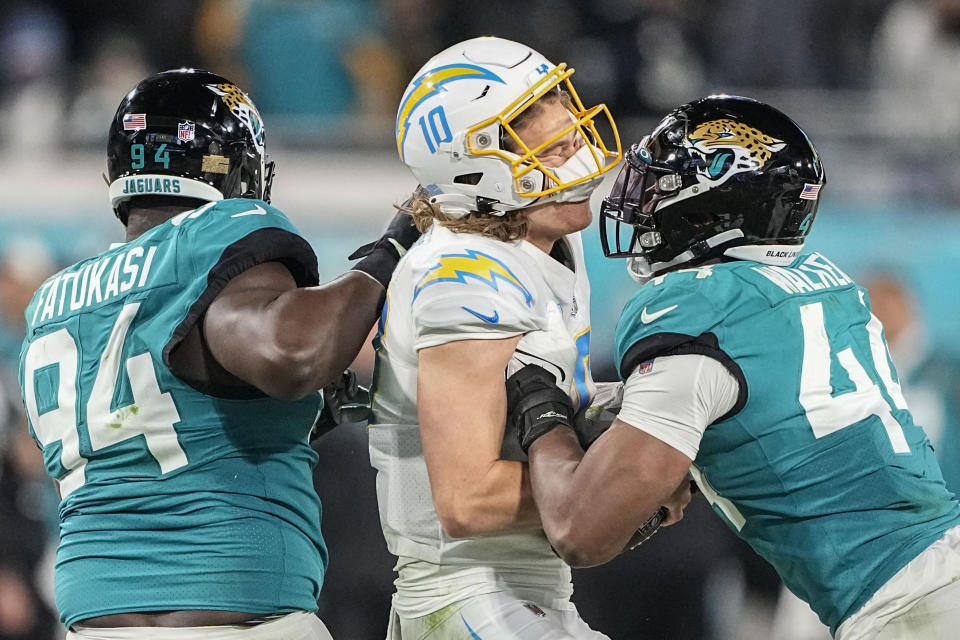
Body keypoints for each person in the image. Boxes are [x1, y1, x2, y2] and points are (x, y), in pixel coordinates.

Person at [506, 95, 960, 640]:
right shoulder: (823, 280)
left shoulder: (696, 311)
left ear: (709, 207)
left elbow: (581, 531)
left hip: (907, 608)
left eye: (660, 188)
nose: (642, 204)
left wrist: (538, 404)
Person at [17, 68, 419, 639]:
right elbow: (295, 353)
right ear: (237, 167)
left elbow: (154, 431)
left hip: (94, 620)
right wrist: (392, 249)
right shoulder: (211, 236)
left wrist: (306, 416)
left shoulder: (55, 299)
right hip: (234, 613)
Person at [367, 36, 622, 639]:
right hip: (464, 593)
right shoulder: (465, 272)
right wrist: (625, 481)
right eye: (555, 151)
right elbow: (467, 497)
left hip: (528, 589)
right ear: (473, 166)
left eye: (576, 134)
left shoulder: (544, 241)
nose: (583, 159)